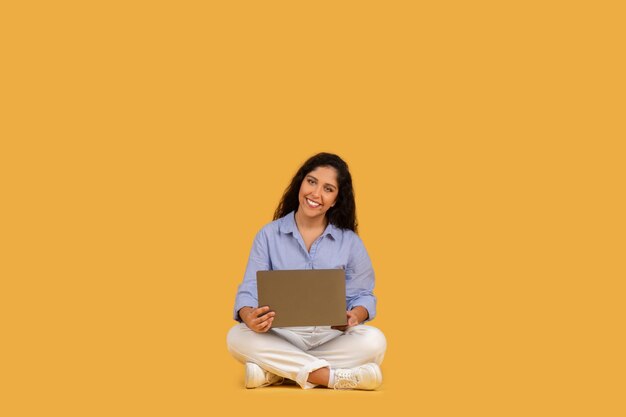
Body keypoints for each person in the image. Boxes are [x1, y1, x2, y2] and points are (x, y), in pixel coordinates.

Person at [226, 152, 386, 390]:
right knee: (236, 336)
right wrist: (248, 314)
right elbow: (250, 287)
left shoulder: (350, 242)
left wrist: (355, 316)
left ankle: (276, 372)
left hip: (330, 335)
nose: (316, 194)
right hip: (281, 334)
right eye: (312, 182)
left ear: (336, 200)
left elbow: (363, 295)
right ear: (301, 183)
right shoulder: (268, 235)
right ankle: (333, 378)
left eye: (328, 189)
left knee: (374, 341)